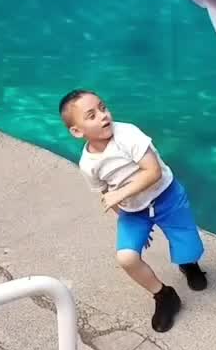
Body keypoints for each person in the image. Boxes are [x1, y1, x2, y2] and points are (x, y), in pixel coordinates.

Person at [60, 90, 208, 333]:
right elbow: (106, 193)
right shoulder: (88, 164)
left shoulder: (127, 133)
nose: (103, 116)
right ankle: (164, 296)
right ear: (77, 131)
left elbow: (153, 172)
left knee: (187, 245)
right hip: (134, 212)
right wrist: (125, 214)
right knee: (126, 257)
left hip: (167, 197)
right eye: (92, 115)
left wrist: (121, 193)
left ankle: (188, 263)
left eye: (103, 107)